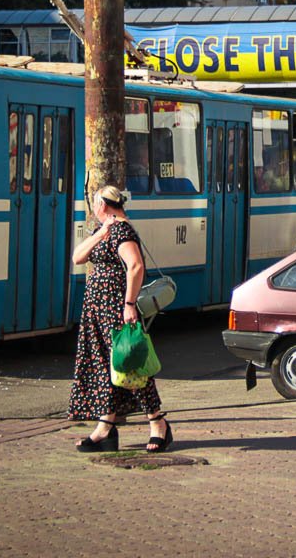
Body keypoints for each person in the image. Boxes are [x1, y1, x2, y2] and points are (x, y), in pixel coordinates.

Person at [68, 186, 172, 453]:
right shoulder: (105, 230)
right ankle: (105, 427)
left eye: (95, 202)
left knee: (129, 364)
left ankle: (157, 423)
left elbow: (136, 266)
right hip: (97, 308)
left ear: (103, 205)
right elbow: (77, 257)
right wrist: (101, 233)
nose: (93, 207)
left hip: (115, 306)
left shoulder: (123, 230)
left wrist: (128, 304)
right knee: (105, 366)